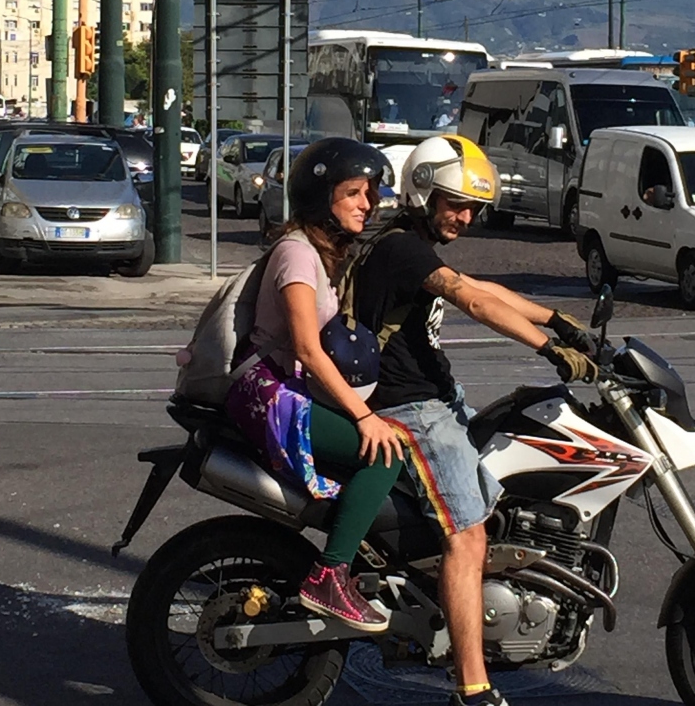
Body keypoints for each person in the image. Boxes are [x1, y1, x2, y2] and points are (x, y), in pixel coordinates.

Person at [351, 135, 597, 706]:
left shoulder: (413, 245)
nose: (464, 217)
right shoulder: (401, 248)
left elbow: (483, 286)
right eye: (455, 204)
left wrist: (559, 320)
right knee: (467, 534)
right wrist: (549, 348)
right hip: (412, 408)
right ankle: (472, 686)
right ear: (422, 191)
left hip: (439, 397)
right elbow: (473, 301)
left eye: (473, 208)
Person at [225, 138, 405, 633]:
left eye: (370, 193)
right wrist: (364, 417)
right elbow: (307, 349)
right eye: (354, 193)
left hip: (285, 390)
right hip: (267, 395)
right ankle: (330, 574)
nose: (368, 204)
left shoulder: (318, 255)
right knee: (386, 452)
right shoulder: (297, 255)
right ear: (322, 197)